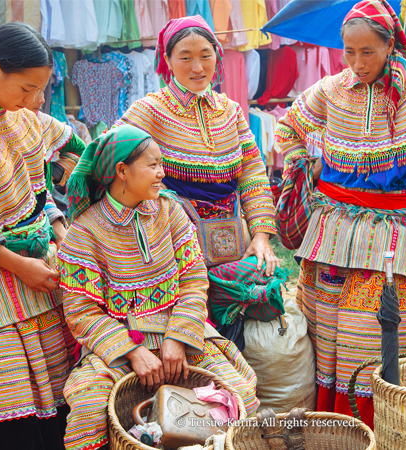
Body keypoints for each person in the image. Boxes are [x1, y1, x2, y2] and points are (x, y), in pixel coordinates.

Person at [274, 0, 406, 427]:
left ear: (390, 45)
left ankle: (375, 428)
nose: (357, 62)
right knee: (324, 333)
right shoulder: (331, 89)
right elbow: (287, 126)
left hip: (390, 235)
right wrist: (302, 165)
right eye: (349, 51)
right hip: (332, 232)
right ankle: (327, 428)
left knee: (370, 337)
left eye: (368, 51)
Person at [59, 125, 259, 450]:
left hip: (182, 337)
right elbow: (81, 312)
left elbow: (194, 281)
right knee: (88, 409)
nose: (161, 173)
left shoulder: (171, 213)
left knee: (239, 396)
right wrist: (133, 352)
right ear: (121, 171)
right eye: (152, 165)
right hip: (121, 347)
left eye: (161, 164)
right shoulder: (85, 232)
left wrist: (178, 339)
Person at [0, 23, 72, 450]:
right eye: (28, 88)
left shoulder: (23, 118)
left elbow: (41, 187)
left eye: (43, 90)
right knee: (6, 412)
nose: (37, 101)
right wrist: (19, 265)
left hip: (36, 274)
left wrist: (61, 228)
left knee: (56, 395)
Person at [113, 15, 277, 276]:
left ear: (217, 54)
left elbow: (253, 175)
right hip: (172, 242)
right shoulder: (150, 110)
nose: (198, 67)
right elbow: (110, 162)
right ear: (167, 60)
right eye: (186, 57)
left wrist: (261, 235)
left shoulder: (231, 111)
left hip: (235, 239)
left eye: (205, 55)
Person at [27, 90, 86, 194]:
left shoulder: (44, 123)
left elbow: (79, 149)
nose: (42, 100)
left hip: (44, 204)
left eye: (42, 91)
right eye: (32, 90)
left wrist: (56, 173)